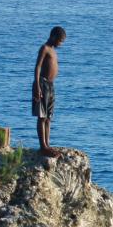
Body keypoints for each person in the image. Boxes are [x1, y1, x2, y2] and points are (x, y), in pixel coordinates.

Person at [33, 26, 67, 157]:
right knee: (42, 116)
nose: (60, 44)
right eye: (60, 41)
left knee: (48, 117)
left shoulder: (53, 50)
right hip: (42, 83)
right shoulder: (45, 48)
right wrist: (37, 86)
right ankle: (43, 146)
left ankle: (47, 144)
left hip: (51, 85)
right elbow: (38, 67)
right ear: (53, 37)